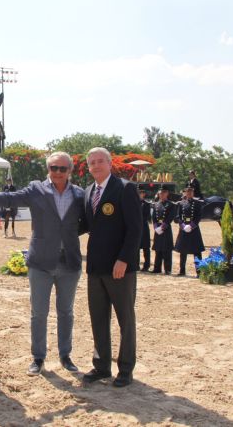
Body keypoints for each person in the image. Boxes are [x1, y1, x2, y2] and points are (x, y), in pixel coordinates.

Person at [0, 151, 86, 376]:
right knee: (38, 313)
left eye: (62, 168)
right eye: (54, 168)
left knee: (66, 312)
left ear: (70, 170)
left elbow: (88, 222)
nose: (58, 172)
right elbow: (10, 199)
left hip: (69, 263)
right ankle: (38, 357)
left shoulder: (80, 195)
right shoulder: (36, 189)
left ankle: (65, 355)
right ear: (48, 169)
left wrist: (68, 235)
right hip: (41, 262)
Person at [82, 147, 142, 388]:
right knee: (98, 318)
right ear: (88, 167)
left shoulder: (125, 188)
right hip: (95, 267)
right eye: (92, 163)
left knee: (125, 320)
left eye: (100, 161)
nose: (96, 165)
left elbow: (136, 229)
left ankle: (125, 369)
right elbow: (85, 225)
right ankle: (101, 365)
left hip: (119, 268)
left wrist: (124, 259)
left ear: (109, 163)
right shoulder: (88, 192)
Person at [173, 186, 205, 276]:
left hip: (193, 229)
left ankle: (199, 272)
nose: (189, 193)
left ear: (193, 193)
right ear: (185, 193)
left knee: (197, 251)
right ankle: (182, 270)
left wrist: (191, 226)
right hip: (184, 229)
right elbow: (178, 217)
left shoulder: (197, 203)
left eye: (191, 192)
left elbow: (198, 217)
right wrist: (183, 225)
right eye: (188, 192)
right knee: (183, 251)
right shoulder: (181, 203)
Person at [151, 184, 175, 274]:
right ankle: (157, 268)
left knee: (167, 250)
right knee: (158, 249)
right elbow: (153, 217)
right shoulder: (156, 204)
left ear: (167, 193)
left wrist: (162, 227)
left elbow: (170, 218)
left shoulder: (171, 205)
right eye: (160, 193)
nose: (162, 194)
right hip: (158, 229)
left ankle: (167, 269)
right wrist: (156, 227)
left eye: (164, 193)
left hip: (166, 229)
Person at [138, 189, 152, 272]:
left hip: (144, 228)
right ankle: (136, 264)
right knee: (136, 247)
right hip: (135, 228)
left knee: (146, 247)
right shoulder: (133, 202)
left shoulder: (147, 204)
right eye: (139, 192)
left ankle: (146, 265)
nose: (140, 194)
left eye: (142, 192)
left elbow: (147, 216)